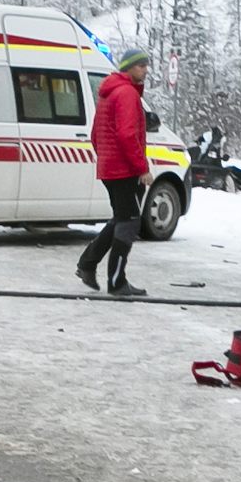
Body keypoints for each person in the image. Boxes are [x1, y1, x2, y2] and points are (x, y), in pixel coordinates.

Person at [75, 47, 153, 297]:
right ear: (128, 67)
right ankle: (117, 281)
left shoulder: (108, 93)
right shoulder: (127, 93)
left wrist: (106, 159)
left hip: (111, 168)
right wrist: (141, 168)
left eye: (146, 65)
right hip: (124, 170)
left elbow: (96, 135)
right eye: (141, 65)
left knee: (121, 218)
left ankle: (87, 264)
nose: (145, 69)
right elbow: (127, 134)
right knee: (129, 222)